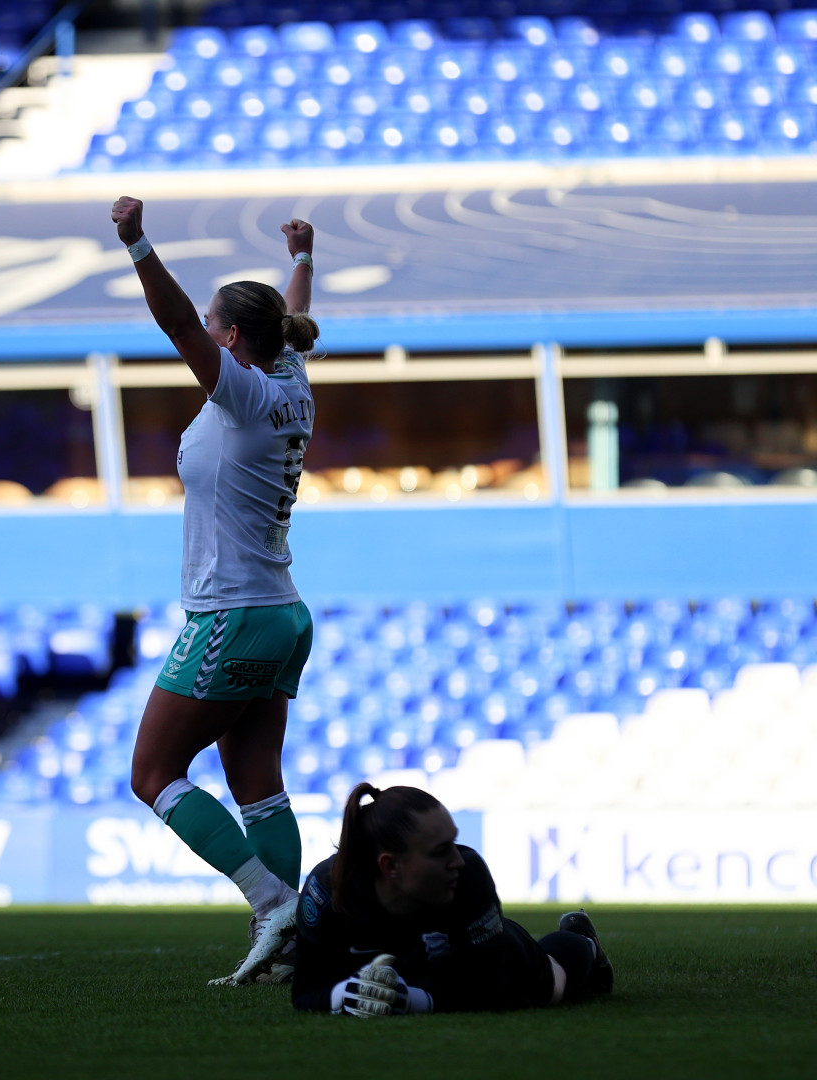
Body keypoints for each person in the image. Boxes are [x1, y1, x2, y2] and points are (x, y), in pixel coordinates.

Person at [112, 195, 320, 986]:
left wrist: (136, 244)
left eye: (214, 323)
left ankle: (273, 905)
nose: (203, 328)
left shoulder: (244, 395)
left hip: (232, 611)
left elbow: (175, 327)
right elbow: (291, 319)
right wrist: (301, 259)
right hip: (281, 610)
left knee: (152, 774)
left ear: (232, 340)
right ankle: (291, 944)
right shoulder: (291, 377)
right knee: (257, 783)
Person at [291, 783, 614, 1016]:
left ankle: (584, 941)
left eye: (454, 844)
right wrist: (343, 995)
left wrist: (415, 1001)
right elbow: (305, 992)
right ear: (390, 866)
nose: (458, 860)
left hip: (487, 955)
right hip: (426, 969)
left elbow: (491, 989)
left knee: (554, 983)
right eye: (440, 851)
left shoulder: (468, 877)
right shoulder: (326, 891)